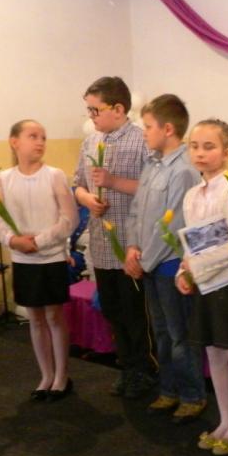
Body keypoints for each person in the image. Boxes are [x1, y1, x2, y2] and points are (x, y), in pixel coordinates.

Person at [178, 119, 228, 456]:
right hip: (206, 284)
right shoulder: (191, 195)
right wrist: (183, 271)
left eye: (209, 147)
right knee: (213, 352)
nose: (201, 153)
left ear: (226, 152)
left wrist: (198, 267)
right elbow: (192, 243)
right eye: (195, 146)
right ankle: (224, 419)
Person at [124, 94, 206, 423]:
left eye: (148, 126)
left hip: (170, 264)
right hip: (148, 261)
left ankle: (192, 395)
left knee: (179, 335)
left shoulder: (184, 170)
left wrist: (143, 261)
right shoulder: (151, 163)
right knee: (160, 333)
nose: (144, 132)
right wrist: (132, 247)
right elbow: (136, 212)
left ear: (168, 129)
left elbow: (171, 226)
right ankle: (169, 390)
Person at [73, 76, 154, 399]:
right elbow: (78, 184)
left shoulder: (142, 141)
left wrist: (113, 181)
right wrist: (87, 199)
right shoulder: (90, 142)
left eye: (95, 110)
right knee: (113, 312)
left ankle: (146, 370)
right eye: (89, 111)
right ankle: (127, 367)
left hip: (132, 244)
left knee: (136, 314)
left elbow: (153, 189)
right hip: (102, 244)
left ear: (118, 109)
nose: (91, 117)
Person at [0, 120, 78, 401]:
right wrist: (13, 240)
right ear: (14, 142)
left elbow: (69, 219)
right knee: (35, 318)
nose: (40, 142)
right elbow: (0, 221)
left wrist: (39, 241)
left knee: (54, 316)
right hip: (23, 258)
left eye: (43, 137)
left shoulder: (54, 175)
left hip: (50, 257)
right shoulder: (4, 179)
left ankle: (61, 376)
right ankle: (45, 375)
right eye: (33, 136)